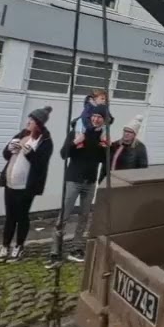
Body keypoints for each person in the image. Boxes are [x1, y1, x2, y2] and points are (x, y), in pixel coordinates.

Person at [0, 107, 54, 261]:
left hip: (26, 187)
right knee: (9, 217)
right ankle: (5, 246)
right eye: (29, 119)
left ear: (39, 124)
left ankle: (19, 246)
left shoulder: (46, 141)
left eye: (32, 120)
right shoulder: (22, 134)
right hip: (10, 183)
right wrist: (9, 149)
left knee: (21, 216)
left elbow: (41, 165)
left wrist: (30, 154)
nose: (28, 122)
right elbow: (6, 155)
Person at [57, 104, 109, 264]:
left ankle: (77, 248)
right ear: (90, 116)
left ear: (103, 120)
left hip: (90, 182)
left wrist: (106, 149)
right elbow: (63, 154)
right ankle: (55, 250)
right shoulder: (78, 132)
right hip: (74, 180)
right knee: (64, 215)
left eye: (99, 117)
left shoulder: (102, 137)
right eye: (94, 116)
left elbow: (103, 160)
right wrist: (74, 142)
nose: (96, 119)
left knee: (84, 216)